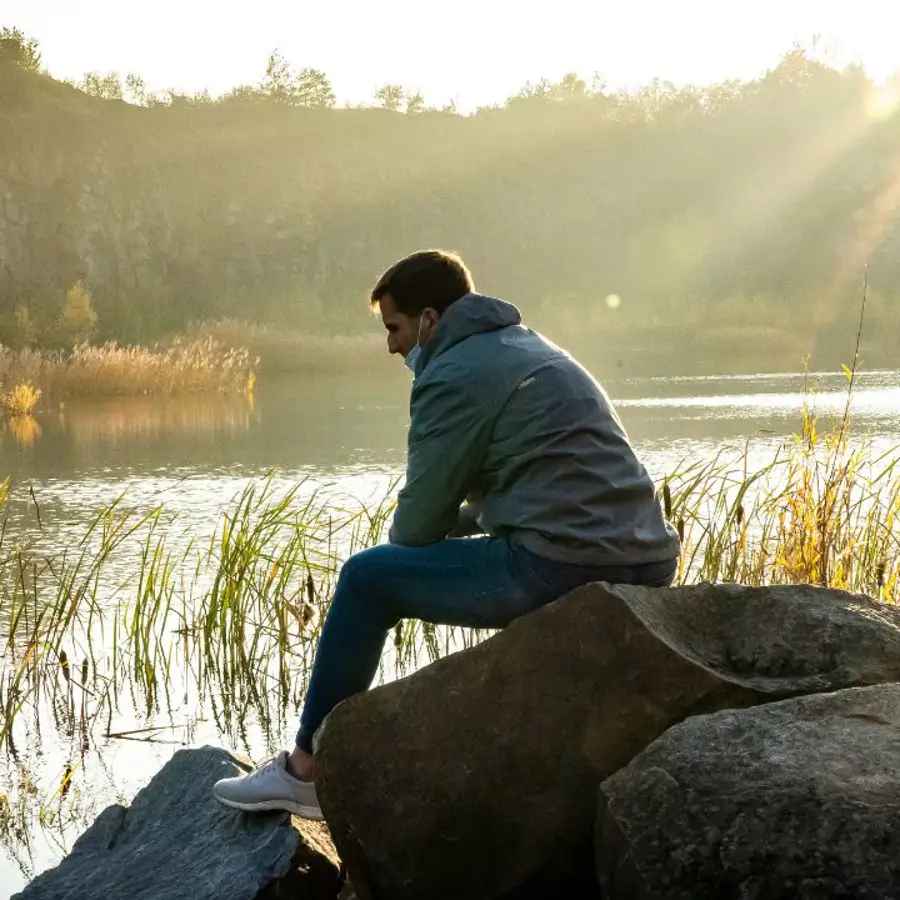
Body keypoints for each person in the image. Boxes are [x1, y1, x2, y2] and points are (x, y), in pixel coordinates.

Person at [212, 249, 680, 819]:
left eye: (395, 328)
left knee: (366, 579)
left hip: (561, 564)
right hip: (646, 558)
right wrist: (454, 524)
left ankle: (305, 772)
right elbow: (530, 487)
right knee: (392, 567)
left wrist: (414, 540)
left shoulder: (452, 374)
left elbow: (415, 529)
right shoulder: (530, 347)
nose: (390, 345)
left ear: (430, 321)